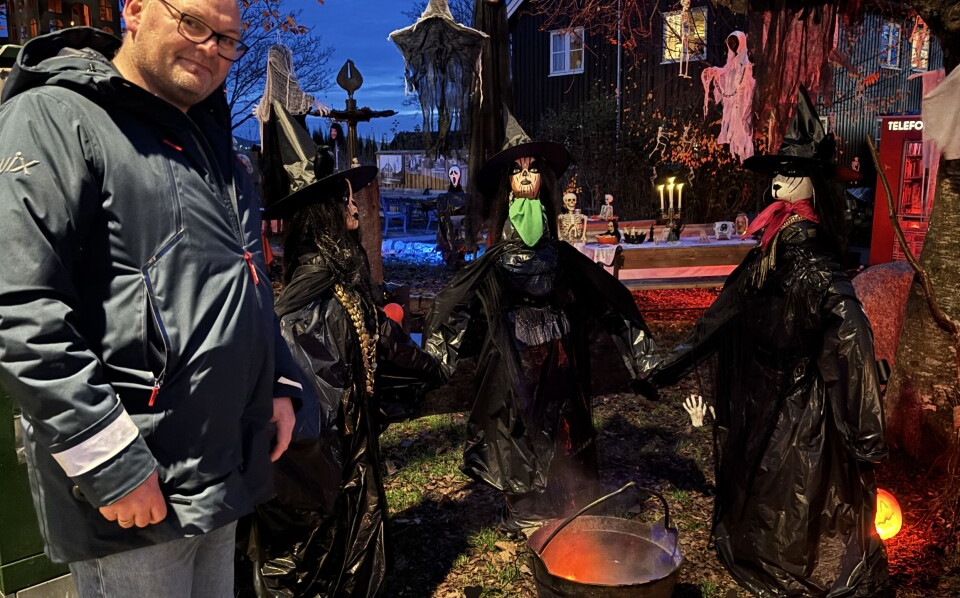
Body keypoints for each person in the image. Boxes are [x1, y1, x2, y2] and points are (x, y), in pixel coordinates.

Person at [0, 0, 299, 597]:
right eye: (193, 24)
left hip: (221, 467)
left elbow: (244, 284)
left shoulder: (218, 153)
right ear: (135, 10)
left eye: (227, 39)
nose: (211, 49)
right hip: (136, 487)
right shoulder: (55, 119)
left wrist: (277, 380)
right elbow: (19, 306)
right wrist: (107, 461)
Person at [652, 87, 890, 597]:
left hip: (801, 402)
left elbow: (850, 333)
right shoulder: (772, 247)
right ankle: (763, 545)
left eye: (791, 171)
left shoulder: (814, 262)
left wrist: (866, 430)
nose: (778, 179)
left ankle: (786, 554)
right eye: (778, 169)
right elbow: (724, 313)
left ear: (813, 182)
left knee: (792, 480)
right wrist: (663, 368)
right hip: (766, 390)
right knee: (764, 474)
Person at [422, 117, 659, 535]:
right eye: (518, 171)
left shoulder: (558, 253)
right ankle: (524, 505)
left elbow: (604, 297)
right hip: (513, 358)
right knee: (517, 427)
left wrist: (641, 355)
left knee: (562, 425)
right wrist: (436, 358)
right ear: (508, 183)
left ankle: (564, 497)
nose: (527, 176)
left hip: (557, 356)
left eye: (533, 170)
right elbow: (459, 304)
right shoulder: (497, 258)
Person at [245, 102, 442, 597]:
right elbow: (313, 412)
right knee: (319, 562)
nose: (355, 208)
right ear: (323, 215)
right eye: (345, 199)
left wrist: (432, 364)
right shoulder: (307, 307)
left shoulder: (337, 287)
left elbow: (383, 342)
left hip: (348, 460)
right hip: (326, 471)